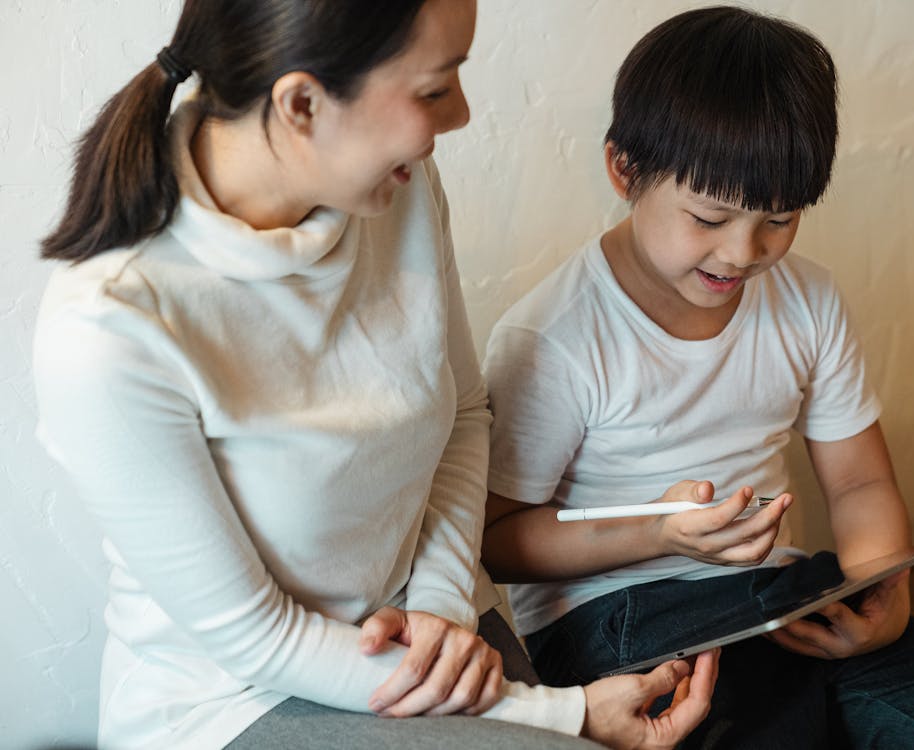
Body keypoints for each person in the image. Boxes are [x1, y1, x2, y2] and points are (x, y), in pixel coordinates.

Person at [32, 1, 720, 748]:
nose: (458, 115)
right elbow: (255, 637)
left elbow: (460, 413)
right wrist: (564, 715)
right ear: (301, 103)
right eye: (433, 89)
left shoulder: (399, 189)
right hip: (243, 693)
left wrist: (440, 610)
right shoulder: (109, 329)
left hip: (430, 623)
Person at [481, 6, 914, 749]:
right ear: (623, 169)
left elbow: (858, 484)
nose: (741, 251)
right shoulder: (556, 337)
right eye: (708, 217)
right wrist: (657, 531)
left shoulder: (808, 298)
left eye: (778, 219)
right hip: (619, 615)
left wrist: (880, 591)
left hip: (781, 596)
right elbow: (497, 539)